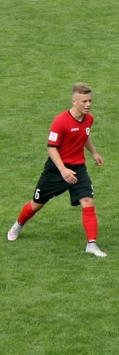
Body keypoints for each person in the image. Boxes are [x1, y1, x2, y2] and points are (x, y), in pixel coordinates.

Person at [7, 83, 107, 257]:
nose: (88, 104)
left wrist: (94, 153)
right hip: (56, 170)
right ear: (74, 101)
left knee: (87, 201)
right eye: (84, 101)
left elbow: (84, 135)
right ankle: (18, 225)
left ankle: (91, 245)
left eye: (90, 101)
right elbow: (51, 147)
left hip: (78, 169)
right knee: (36, 204)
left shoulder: (88, 119)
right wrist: (63, 170)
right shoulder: (61, 121)